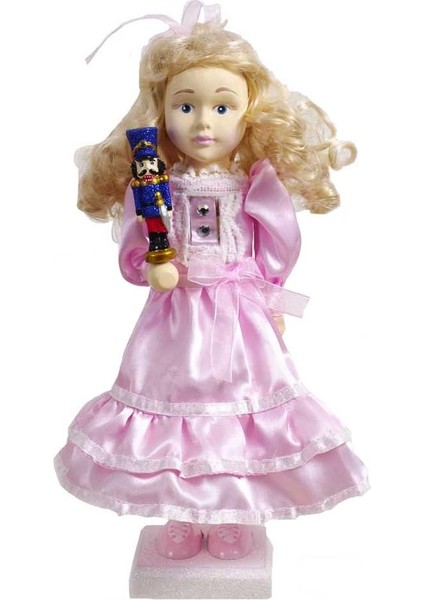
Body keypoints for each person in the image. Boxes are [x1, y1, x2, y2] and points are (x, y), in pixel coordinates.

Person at [55, 0, 368, 563]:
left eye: (223, 107)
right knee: (172, 407)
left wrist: (268, 289)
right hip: (174, 321)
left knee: (240, 407)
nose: (204, 122)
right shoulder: (155, 182)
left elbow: (278, 241)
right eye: (187, 105)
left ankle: (231, 513)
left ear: (249, 114)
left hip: (239, 318)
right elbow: (138, 242)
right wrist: (150, 264)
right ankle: (181, 510)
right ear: (162, 112)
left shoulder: (254, 181)